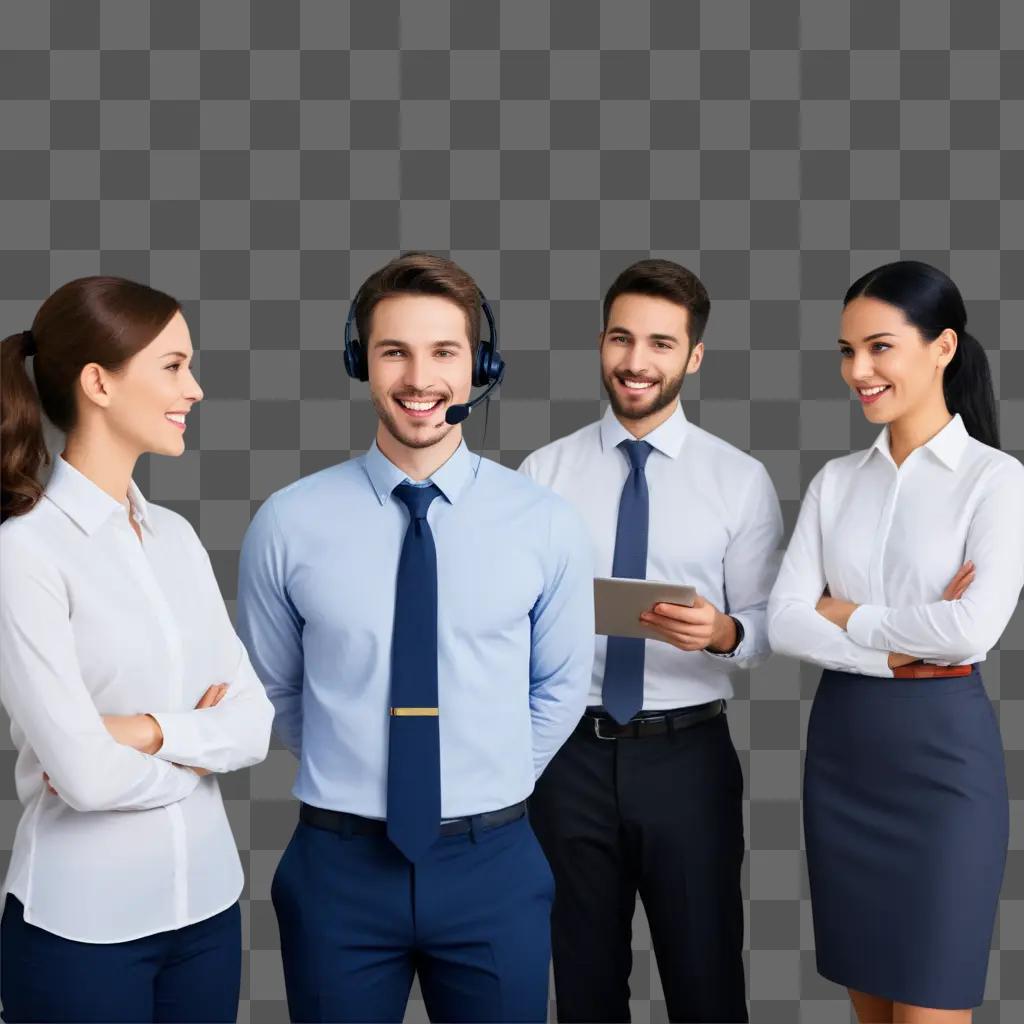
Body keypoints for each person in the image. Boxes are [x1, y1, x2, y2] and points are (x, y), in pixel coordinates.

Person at [237, 251, 595, 1023]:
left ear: (480, 366)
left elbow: (561, 687)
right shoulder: (288, 522)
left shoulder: (546, 524)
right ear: (360, 360)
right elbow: (274, 688)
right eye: (394, 351)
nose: (419, 379)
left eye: (444, 352)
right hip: (338, 866)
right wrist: (363, 767)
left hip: (493, 864)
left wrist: (480, 779)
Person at [0, 276, 274, 1023]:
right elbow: (84, 777)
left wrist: (143, 733)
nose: (196, 388)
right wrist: (193, 749)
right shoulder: (24, 555)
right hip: (81, 930)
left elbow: (254, 723)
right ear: (99, 383)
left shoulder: (177, 538)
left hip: (209, 914)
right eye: (174, 365)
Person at [520, 258, 783, 1023]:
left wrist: (725, 631)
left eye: (662, 344)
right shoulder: (545, 471)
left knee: (705, 980)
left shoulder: (738, 479)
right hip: (567, 755)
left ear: (693, 357)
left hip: (688, 760)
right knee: (583, 979)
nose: (637, 362)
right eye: (622, 339)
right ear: (600, 343)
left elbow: (769, 626)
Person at [767, 260, 1024, 1024]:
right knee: (871, 1012)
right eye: (848, 352)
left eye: (879, 348)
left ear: (943, 347)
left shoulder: (997, 480)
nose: (859, 371)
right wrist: (892, 645)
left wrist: (845, 614)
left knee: (928, 1012)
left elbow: (972, 627)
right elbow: (783, 619)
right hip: (844, 756)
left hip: (942, 764)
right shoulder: (836, 482)